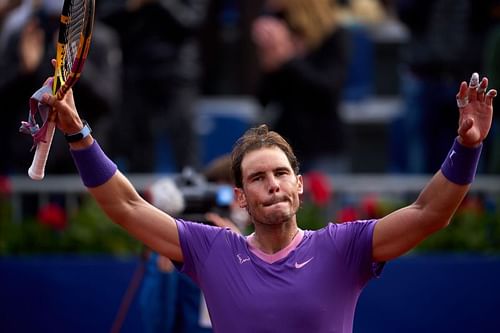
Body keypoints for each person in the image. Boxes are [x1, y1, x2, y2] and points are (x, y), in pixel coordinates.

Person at [40, 71, 495, 332]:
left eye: (281, 174)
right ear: (240, 196)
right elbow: (127, 207)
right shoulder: (213, 249)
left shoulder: (344, 247)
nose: (272, 184)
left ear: (298, 186)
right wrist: (79, 133)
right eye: (258, 178)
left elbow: (429, 213)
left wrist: (467, 148)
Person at [251, 0, 351, 172]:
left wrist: (289, 59)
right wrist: (269, 62)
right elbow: (263, 99)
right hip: (285, 144)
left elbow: (327, 89)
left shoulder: (332, 33)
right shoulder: (277, 27)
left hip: (323, 143)